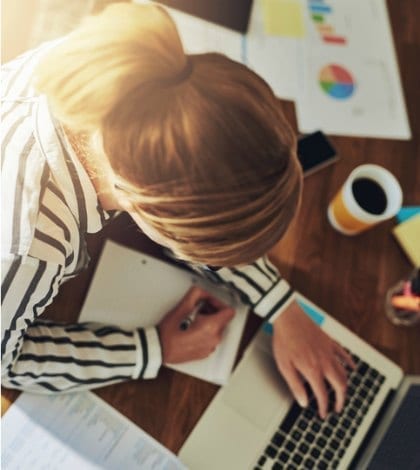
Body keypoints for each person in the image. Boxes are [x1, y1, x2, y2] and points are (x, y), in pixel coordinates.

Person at [1, 3, 354, 419]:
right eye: (197, 250)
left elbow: (198, 180)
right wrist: (154, 349)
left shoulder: (130, 79)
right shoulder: (30, 248)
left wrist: (283, 307)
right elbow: (7, 362)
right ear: (149, 212)